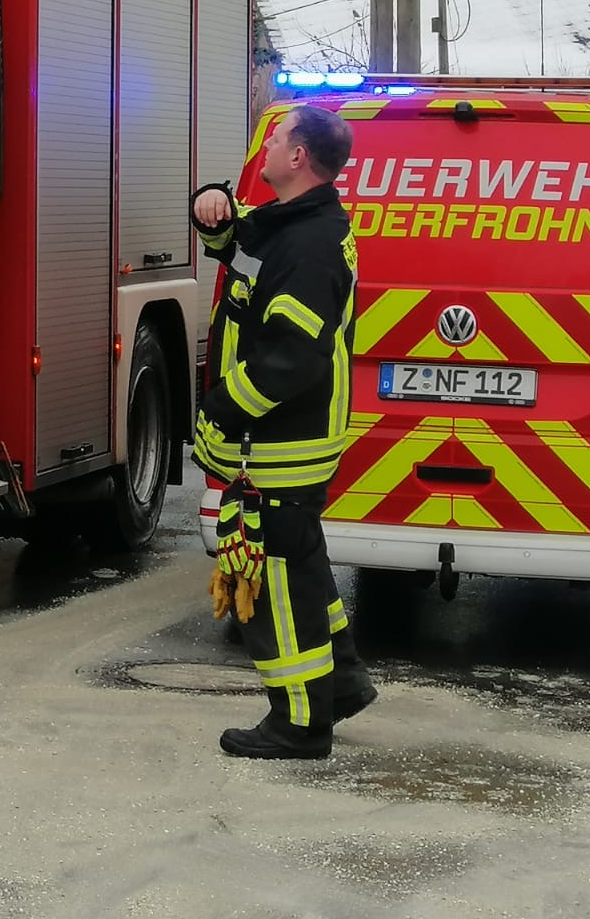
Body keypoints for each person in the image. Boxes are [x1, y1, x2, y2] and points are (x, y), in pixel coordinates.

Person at [191, 104, 375, 760]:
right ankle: (341, 684)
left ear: (298, 157)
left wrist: (222, 407)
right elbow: (239, 244)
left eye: (274, 137)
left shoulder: (308, 246)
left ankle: (299, 724)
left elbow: (293, 360)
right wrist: (211, 206)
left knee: (278, 588)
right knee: (304, 569)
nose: (264, 145)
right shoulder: (292, 224)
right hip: (286, 444)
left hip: (281, 446)